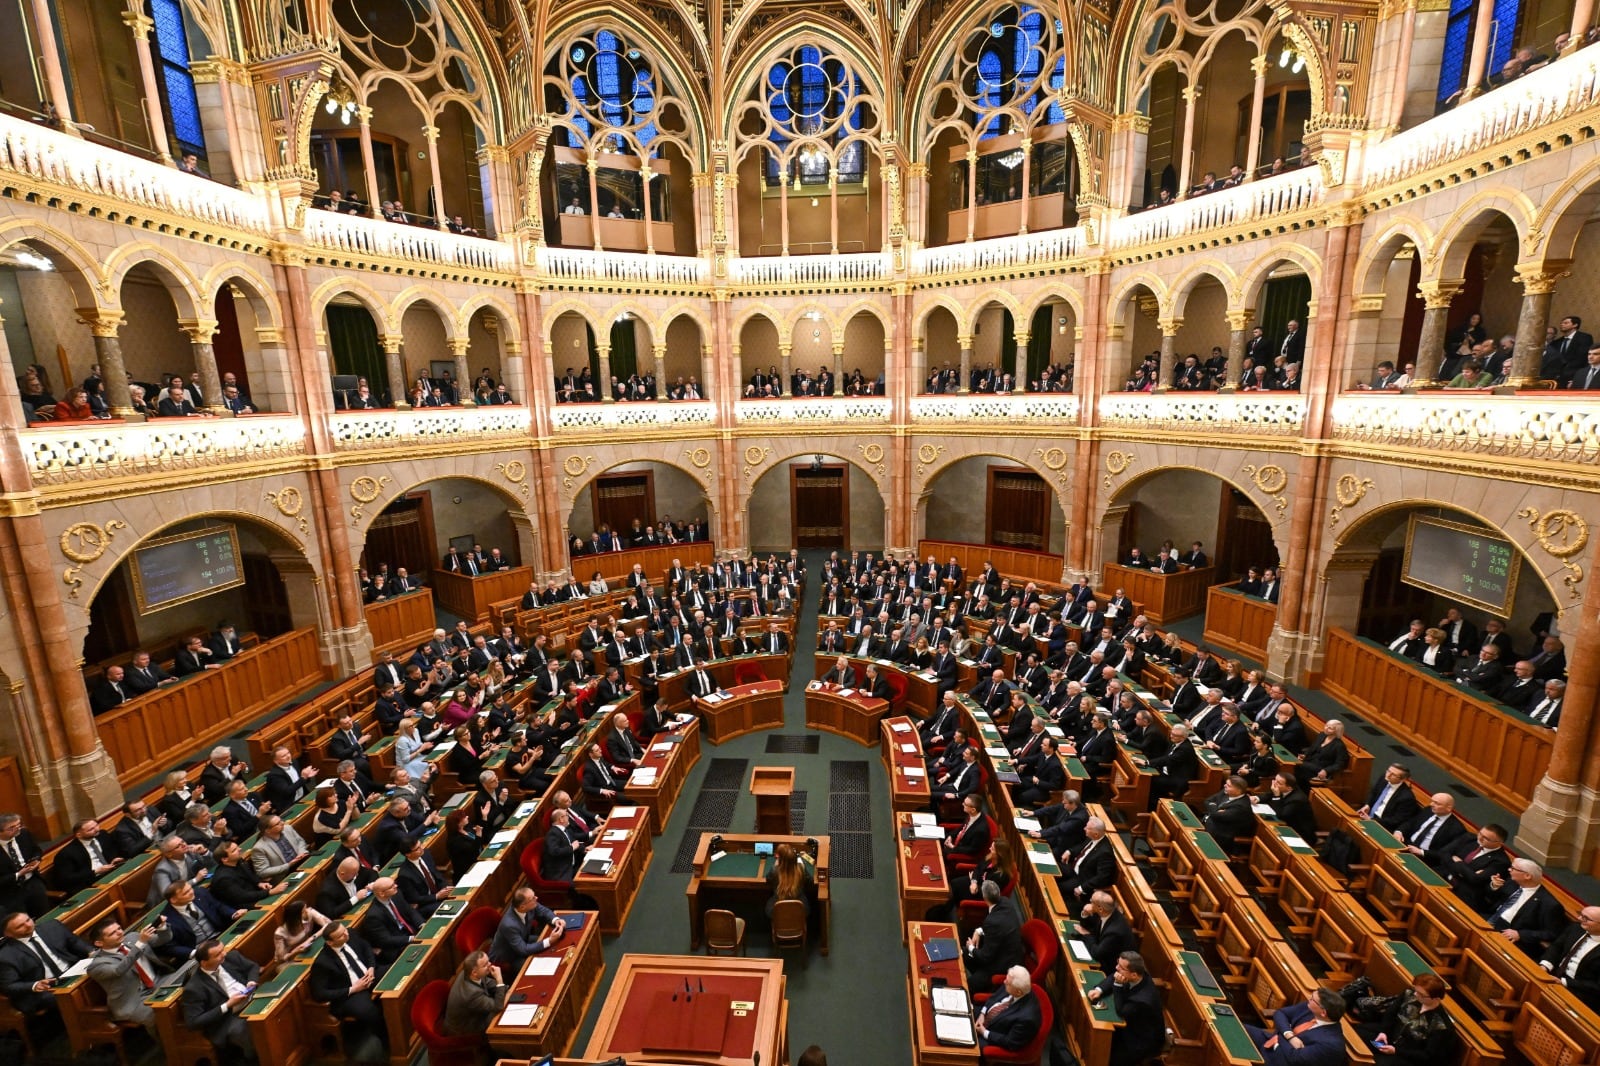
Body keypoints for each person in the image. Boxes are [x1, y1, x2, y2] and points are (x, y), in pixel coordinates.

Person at [308, 922, 386, 1053]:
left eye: (345, 930)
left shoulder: (350, 935)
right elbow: (319, 993)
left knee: (394, 975)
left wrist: (371, 967)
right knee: (369, 1011)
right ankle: (387, 1042)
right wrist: (353, 989)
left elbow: (366, 947)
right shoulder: (322, 963)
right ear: (330, 943)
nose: (346, 935)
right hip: (350, 994)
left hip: (369, 975)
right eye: (340, 936)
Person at [86, 915, 171, 1034]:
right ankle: (167, 1048)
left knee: (188, 988)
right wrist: (140, 944)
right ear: (99, 943)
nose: (120, 933)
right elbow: (119, 970)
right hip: (133, 1001)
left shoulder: (132, 937)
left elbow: (162, 940)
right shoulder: (97, 965)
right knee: (159, 1016)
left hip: (158, 981)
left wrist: (162, 928)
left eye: (119, 929)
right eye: (112, 933)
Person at [0, 911, 91, 1017]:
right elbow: (8, 986)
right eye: (20, 926)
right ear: (8, 934)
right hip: (42, 990)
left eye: (28, 920)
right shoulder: (5, 955)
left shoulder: (52, 926)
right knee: (68, 997)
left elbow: (75, 942)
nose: (28, 925)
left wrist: (91, 951)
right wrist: (34, 985)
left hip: (71, 972)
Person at [181, 939, 261, 1062]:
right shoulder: (194, 988)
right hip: (228, 1019)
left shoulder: (230, 957)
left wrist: (251, 981)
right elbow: (193, 1022)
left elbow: (253, 967)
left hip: (252, 998)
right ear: (204, 962)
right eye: (218, 954)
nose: (224, 954)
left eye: (222, 950)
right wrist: (227, 1005)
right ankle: (259, 1059)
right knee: (243, 1031)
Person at [1359, 973, 1457, 1066]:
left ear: (1436, 999)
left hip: (1407, 1055)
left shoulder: (1441, 1026)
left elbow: (1427, 1056)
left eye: (1421, 994)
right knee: (1359, 1033)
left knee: (1380, 1063)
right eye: (1415, 990)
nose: (1415, 994)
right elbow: (1391, 1013)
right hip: (1390, 1037)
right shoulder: (1409, 994)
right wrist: (1383, 1032)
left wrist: (1396, 1051)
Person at [1087, 952, 1166, 1066]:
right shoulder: (1138, 975)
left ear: (1134, 975)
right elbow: (1115, 975)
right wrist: (1099, 990)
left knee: (1110, 1059)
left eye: (1121, 967)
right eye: (1117, 964)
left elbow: (1121, 1010)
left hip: (1141, 1039)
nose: (1116, 968)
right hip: (1132, 1024)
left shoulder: (1143, 999)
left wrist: (1118, 985)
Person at [1484, 858, 1566, 957]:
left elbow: (1552, 933)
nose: (1509, 870)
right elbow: (1492, 899)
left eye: (1513, 868)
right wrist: (1494, 886)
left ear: (1527, 876)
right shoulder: (1513, 882)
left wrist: (1521, 935)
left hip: (1512, 936)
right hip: (1490, 920)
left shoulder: (1549, 904)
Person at [1245, 988, 1348, 1066]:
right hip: (1271, 1040)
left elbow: (1294, 1057)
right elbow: (1280, 1013)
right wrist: (1289, 1035)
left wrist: (1281, 1034)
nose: (1309, 999)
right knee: (1236, 1030)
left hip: (1280, 1060)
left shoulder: (1330, 1044)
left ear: (1323, 1013)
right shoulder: (1311, 1008)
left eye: (1313, 999)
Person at [964, 879, 1025, 989]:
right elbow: (998, 925)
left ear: (984, 897)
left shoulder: (992, 921)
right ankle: (977, 972)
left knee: (970, 985)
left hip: (1003, 964)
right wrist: (979, 931)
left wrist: (971, 947)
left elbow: (985, 957)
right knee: (964, 953)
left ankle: (983, 984)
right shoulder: (1005, 901)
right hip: (1005, 950)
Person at [1540, 906, 1600, 1013]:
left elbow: (1596, 986)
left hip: (1578, 991)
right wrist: (1545, 965)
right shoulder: (1576, 928)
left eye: (1586, 918)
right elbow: (1557, 947)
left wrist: (1563, 982)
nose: (1579, 918)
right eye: (1581, 914)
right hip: (1553, 973)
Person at [974, 965, 1043, 1053]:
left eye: (1007, 982)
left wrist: (984, 1032)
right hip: (986, 1017)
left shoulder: (1027, 1019)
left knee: (967, 1047)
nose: (1004, 982)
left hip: (994, 1035)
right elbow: (994, 997)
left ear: (1018, 991)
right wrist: (982, 1014)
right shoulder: (1012, 985)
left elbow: (1010, 1042)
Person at [490, 887, 563, 966]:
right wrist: (550, 940)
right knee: (538, 966)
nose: (536, 898)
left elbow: (543, 911)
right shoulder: (509, 925)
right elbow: (523, 950)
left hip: (523, 940)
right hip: (509, 957)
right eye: (533, 898)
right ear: (522, 907)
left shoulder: (527, 906)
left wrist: (555, 920)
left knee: (554, 945)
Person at [444, 950, 506, 1037]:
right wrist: (499, 980)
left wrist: (504, 987)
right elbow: (498, 1006)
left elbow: (489, 983)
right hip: (465, 1028)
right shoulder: (471, 993)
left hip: (474, 1012)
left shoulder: (472, 973)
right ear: (474, 972)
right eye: (485, 965)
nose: (490, 964)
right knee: (499, 1016)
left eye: (488, 961)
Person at [1074, 891, 1137, 975]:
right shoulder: (1106, 912)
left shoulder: (1114, 932)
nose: (1089, 903)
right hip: (1101, 948)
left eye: (1091, 901)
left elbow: (1097, 953)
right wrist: (1085, 913)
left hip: (1111, 967)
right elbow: (1087, 926)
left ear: (1100, 908)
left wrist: (1087, 935)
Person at [274, 900, 331, 964]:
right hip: (291, 959)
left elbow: (329, 924)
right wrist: (295, 952)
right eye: (303, 911)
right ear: (295, 916)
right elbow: (280, 959)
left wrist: (312, 938)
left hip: (308, 948)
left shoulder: (309, 912)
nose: (307, 912)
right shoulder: (280, 933)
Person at [766, 842, 814, 917]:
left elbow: (768, 881)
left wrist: (775, 865)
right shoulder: (801, 868)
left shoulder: (774, 870)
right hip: (801, 908)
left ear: (781, 860)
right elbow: (810, 882)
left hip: (777, 909)